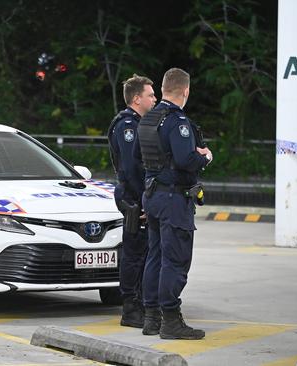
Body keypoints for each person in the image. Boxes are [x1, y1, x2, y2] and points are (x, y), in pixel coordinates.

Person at [137, 68, 212, 339]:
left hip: (153, 195)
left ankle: (151, 317)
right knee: (175, 260)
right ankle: (170, 320)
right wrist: (205, 157)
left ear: (164, 88)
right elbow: (185, 160)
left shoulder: (148, 119)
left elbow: (140, 159)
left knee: (155, 256)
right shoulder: (178, 120)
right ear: (186, 90)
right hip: (172, 198)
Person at [107, 74, 157, 328]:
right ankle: (131, 308)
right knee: (134, 253)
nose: (155, 98)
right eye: (150, 94)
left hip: (139, 196)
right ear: (137, 98)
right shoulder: (127, 125)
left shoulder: (140, 123)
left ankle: (142, 303)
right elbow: (131, 167)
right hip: (134, 198)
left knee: (143, 252)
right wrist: (145, 200)